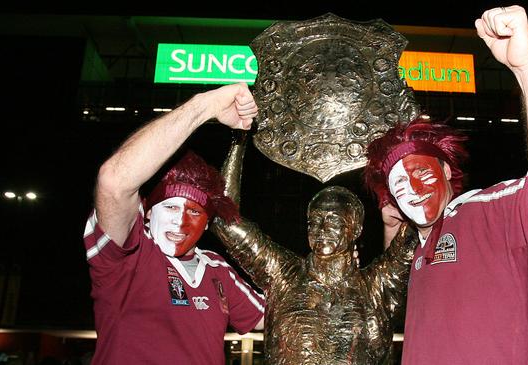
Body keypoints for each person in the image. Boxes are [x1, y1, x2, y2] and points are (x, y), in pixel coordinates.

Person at [364, 5, 528, 365]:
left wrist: (526, 68)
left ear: (448, 173)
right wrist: (392, 232)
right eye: (398, 184)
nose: (410, 188)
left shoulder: (489, 210)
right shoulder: (417, 247)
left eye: (420, 172)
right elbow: (396, 303)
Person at [83, 83, 265, 364]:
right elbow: (114, 181)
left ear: (207, 224)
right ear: (146, 212)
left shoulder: (217, 269)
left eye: (194, 212)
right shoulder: (126, 257)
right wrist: (205, 106)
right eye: (169, 207)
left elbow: (277, 317)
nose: (180, 222)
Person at [212, 137, 417, 365]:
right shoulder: (283, 273)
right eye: (314, 221)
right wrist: (239, 139)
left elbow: (420, 220)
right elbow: (225, 222)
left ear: (356, 228)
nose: (321, 230)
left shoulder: (378, 284)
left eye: (333, 221)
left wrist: (404, 157)